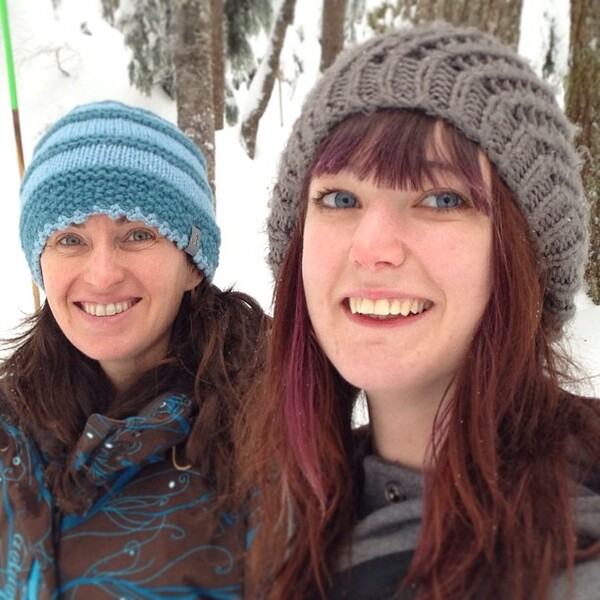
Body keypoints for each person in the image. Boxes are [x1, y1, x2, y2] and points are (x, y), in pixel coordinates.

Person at [236, 22, 600, 600]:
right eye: (340, 198)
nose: (373, 249)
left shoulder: (574, 553)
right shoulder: (294, 514)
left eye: (442, 198)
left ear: (526, 257)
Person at [0, 100, 268, 598]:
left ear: (192, 265)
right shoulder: (10, 424)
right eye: (70, 239)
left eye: (137, 234)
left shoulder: (269, 432)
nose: (102, 274)